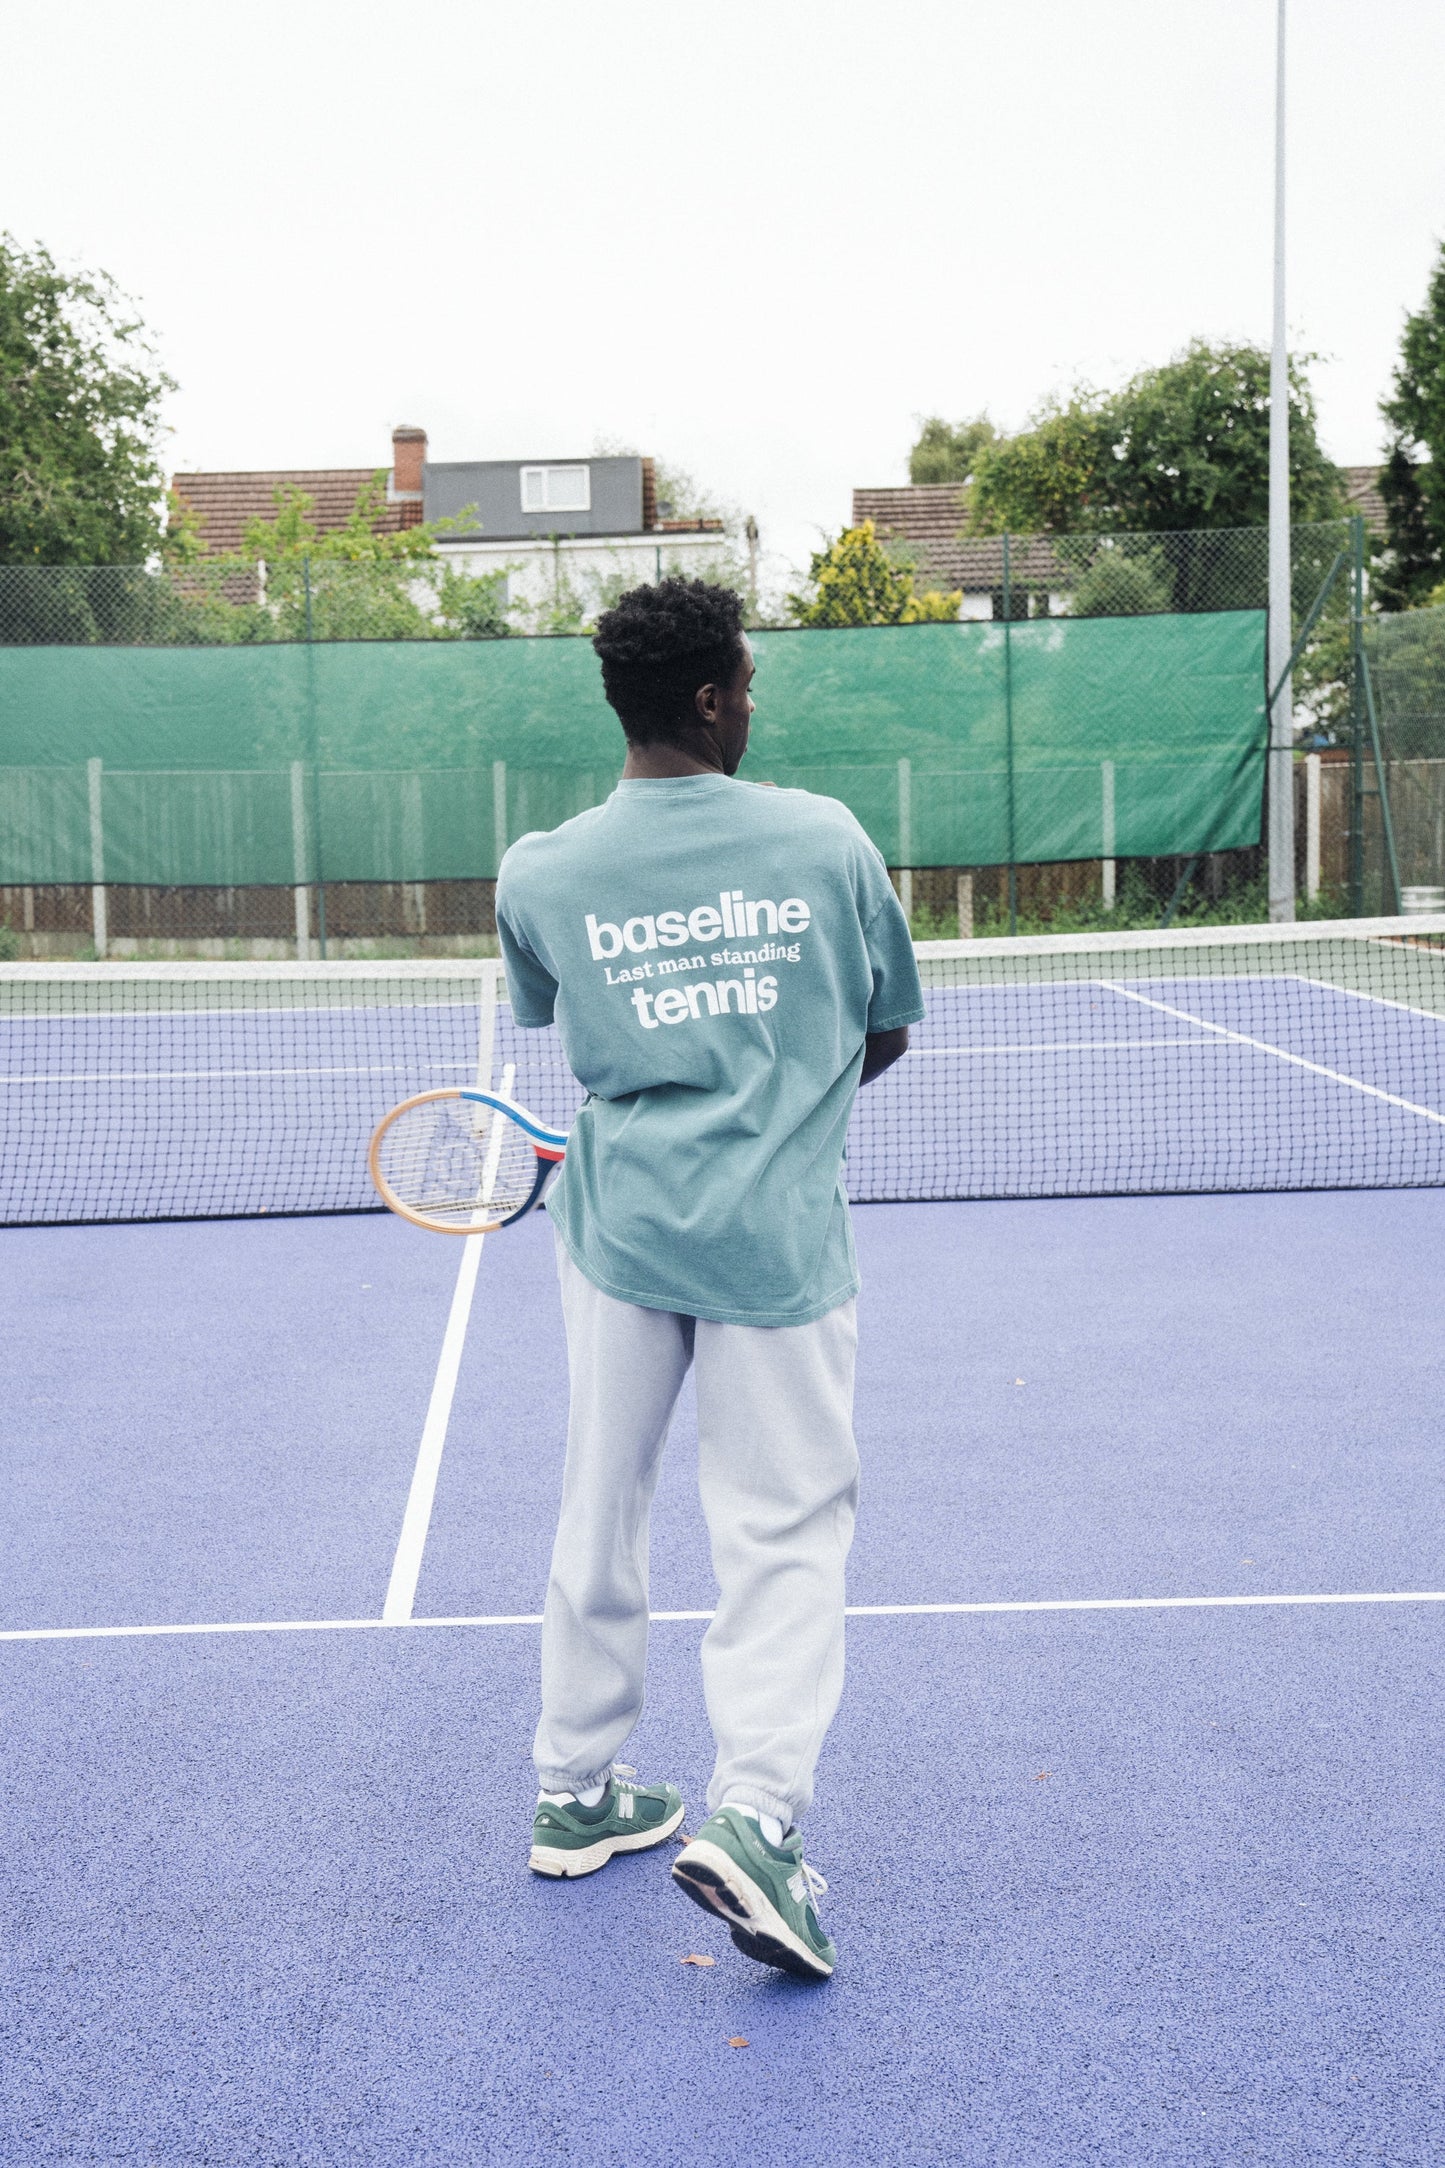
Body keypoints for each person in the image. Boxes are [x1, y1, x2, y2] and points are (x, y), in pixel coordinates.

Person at [494, 577, 922, 1981]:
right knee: (784, 1534)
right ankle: (753, 1824)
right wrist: (771, 1087)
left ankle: (575, 1786)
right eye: (744, 682)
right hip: (776, 1249)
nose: (753, 703)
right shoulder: (824, 840)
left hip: (616, 1239)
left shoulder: (540, 870)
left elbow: (579, 1033)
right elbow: (882, 1035)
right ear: (706, 697)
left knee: (594, 1504)